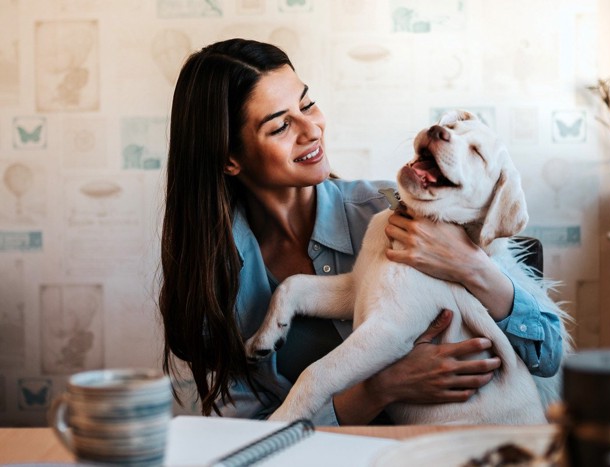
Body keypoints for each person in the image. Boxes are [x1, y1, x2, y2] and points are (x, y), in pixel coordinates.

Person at [159, 38, 564, 425]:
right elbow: (247, 432)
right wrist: (380, 389)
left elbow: (548, 353)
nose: (311, 130)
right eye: (281, 126)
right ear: (230, 159)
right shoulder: (216, 278)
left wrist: (471, 265)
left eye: (308, 104)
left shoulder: (407, 210)